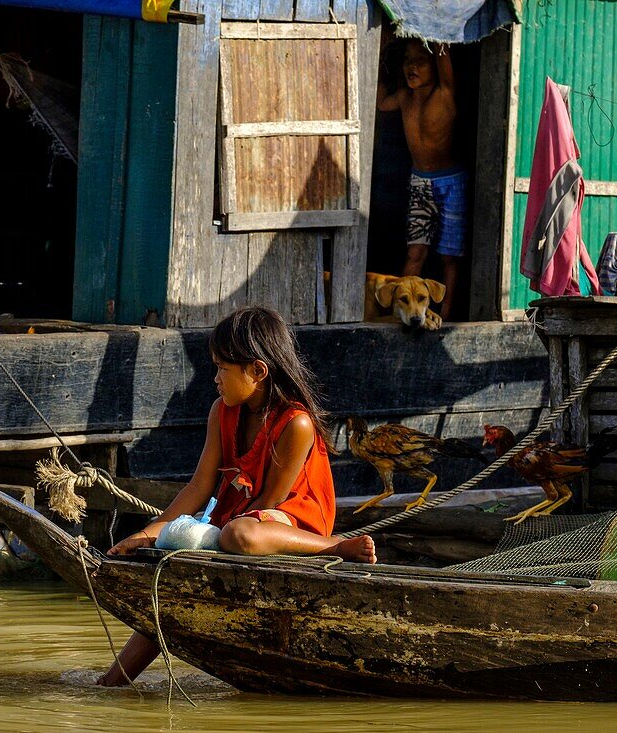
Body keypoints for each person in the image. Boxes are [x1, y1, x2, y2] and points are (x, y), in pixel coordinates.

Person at [95, 306, 376, 687]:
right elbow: (198, 488)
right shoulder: (222, 412)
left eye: (222, 369)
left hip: (288, 523)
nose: (214, 379)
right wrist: (151, 534)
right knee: (171, 579)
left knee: (239, 536)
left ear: (258, 371)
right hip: (240, 516)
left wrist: (211, 536)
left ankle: (334, 548)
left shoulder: (296, 423)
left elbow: (269, 503)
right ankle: (112, 683)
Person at [377, 34, 465, 322]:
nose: (411, 67)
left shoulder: (444, 93)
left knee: (449, 257)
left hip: (452, 183)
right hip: (419, 183)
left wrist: (437, 30)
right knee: (415, 252)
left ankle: (446, 317)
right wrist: (381, 52)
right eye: (407, 61)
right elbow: (379, 103)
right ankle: (402, 315)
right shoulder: (403, 98)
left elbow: (442, 47)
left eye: (420, 61)